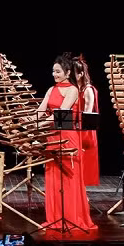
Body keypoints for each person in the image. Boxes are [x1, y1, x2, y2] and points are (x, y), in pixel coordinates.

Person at [35, 53, 96, 230]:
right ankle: (55, 217)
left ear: (68, 72)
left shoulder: (73, 90)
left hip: (68, 137)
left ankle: (72, 217)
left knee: (68, 178)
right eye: (53, 71)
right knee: (54, 177)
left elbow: (61, 112)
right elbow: (40, 111)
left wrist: (40, 123)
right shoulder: (50, 89)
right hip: (52, 136)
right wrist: (29, 122)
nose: (54, 75)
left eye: (58, 71)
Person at [74, 54, 100, 186]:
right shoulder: (74, 89)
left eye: (74, 74)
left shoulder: (88, 90)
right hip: (75, 127)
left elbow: (87, 114)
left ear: (81, 74)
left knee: (84, 166)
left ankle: (84, 197)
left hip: (85, 130)